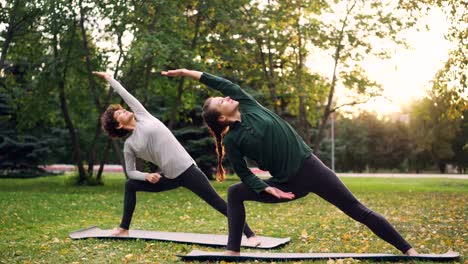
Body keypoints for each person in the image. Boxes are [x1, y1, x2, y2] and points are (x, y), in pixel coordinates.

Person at [161, 69, 419, 256]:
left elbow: (222, 83)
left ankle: (408, 249)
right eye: (221, 102)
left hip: (312, 168)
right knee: (234, 192)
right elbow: (243, 174)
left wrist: (186, 72)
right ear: (221, 119)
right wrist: (265, 187)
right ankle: (233, 251)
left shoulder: (250, 105)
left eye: (224, 97)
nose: (227, 98)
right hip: (286, 185)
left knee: (356, 209)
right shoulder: (234, 140)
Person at [93, 71, 259, 246]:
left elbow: (125, 94)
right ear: (119, 125)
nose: (123, 110)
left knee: (218, 203)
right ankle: (123, 228)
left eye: (122, 108)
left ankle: (250, 235)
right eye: (119, 113)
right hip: (169, 177)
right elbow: (131, 172)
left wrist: (109, 79)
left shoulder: (143, 116)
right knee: (130, 185)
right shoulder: (130, 145)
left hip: (188, 170)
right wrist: (146, 176)